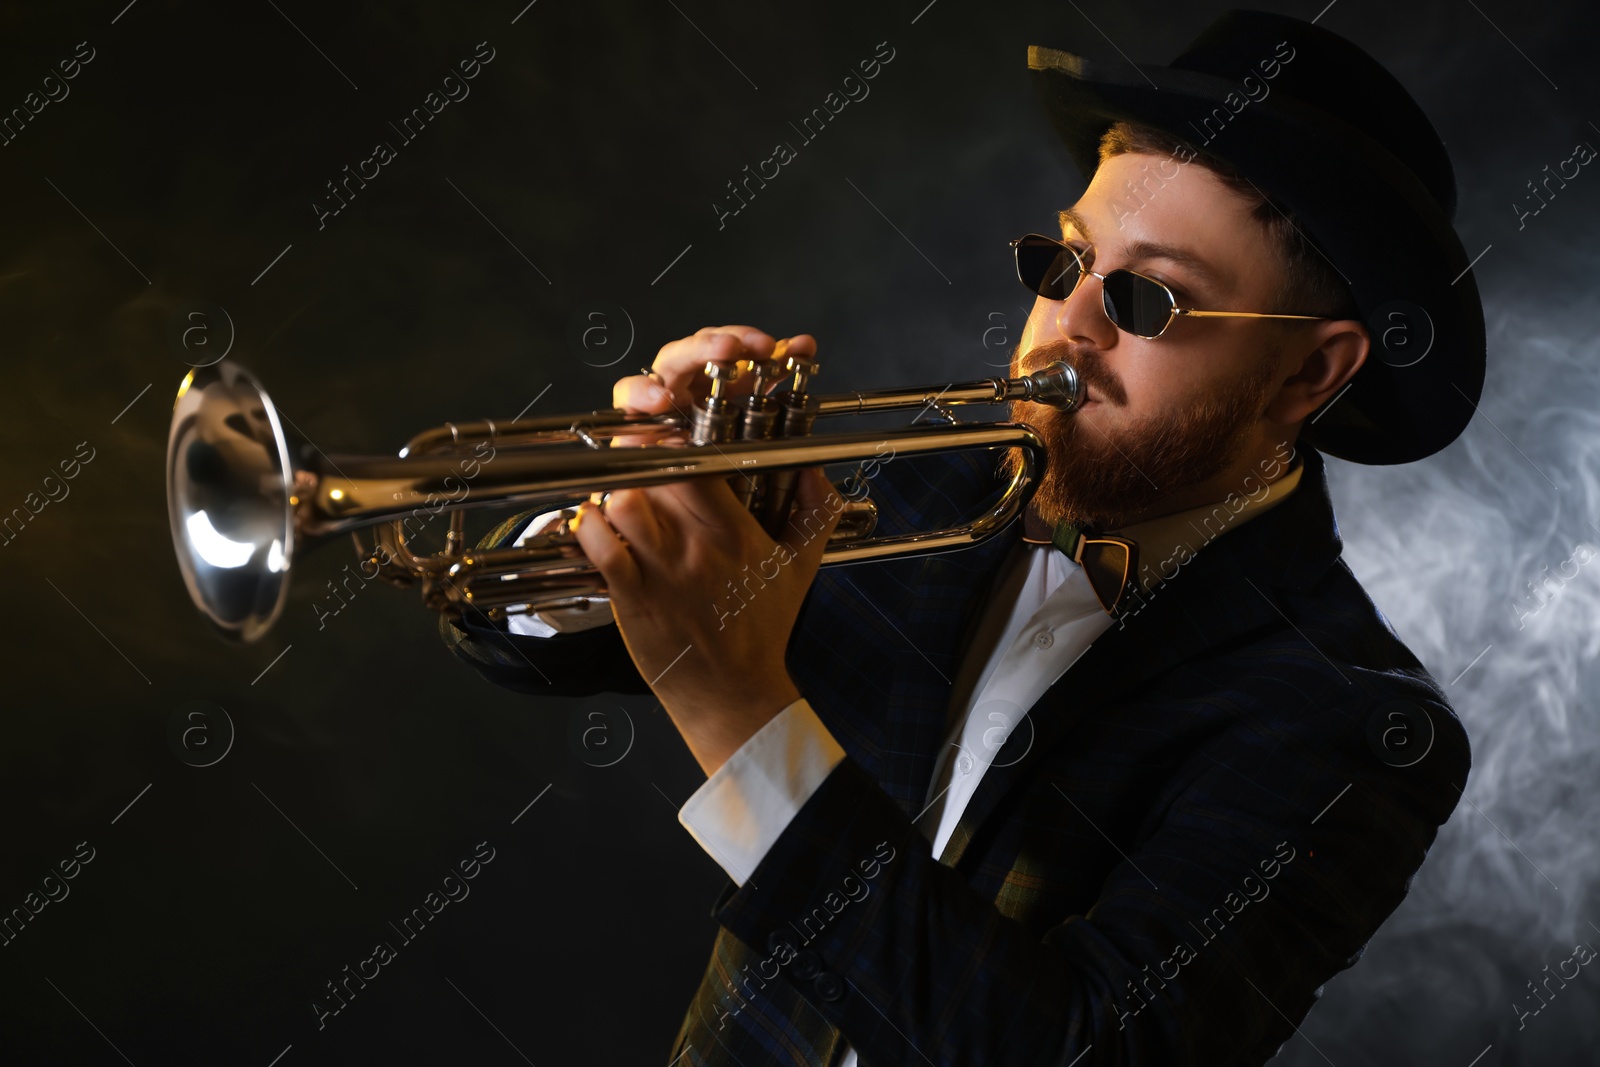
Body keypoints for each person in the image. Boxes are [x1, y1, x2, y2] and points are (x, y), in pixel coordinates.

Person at [442, 10, 1484, 1065]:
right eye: (1063, 261)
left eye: (1144, 297)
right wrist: (638, 505)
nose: (1067, 326)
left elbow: (1081, 1048)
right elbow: (519, 644)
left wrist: (735, 708)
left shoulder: (1356, 729)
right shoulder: (926, 482)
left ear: (1312, 372)